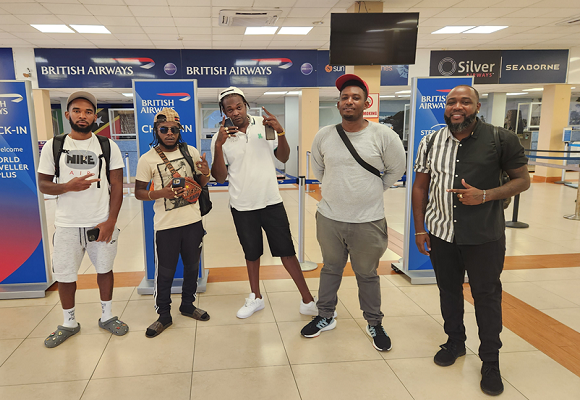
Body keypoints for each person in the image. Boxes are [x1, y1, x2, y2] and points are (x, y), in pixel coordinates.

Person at [412, 85, 530, 396]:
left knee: (486, 297)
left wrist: (486, 195)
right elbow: (420, 187)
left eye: (465, 101)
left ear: (477, 107)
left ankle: (490, 360)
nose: (457, 106)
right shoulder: (430, 141)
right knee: (448, 291)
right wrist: (420, 229)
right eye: (451, 101)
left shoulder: (501, 139)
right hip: (441, 234)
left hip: (484, 236)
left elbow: (522, 180)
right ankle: (455, 342)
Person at [301, 74, 406, 352]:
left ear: (366, 103)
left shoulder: (384, 135)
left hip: (368, 221)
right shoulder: (324, 135)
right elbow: (319, 170)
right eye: (344, 97)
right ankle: (325, 315)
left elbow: (397, 169)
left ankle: (374, 322)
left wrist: (374, 189)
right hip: (329, 219)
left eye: (355, 97)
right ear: (338, 104)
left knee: (367, 274)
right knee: (330, 268)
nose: (349, 101)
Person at [210, 86, 317, 319]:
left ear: (246, 105)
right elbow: (219, 178)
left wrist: (281, 132)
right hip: (242, 205)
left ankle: (308, 300)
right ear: (224, 112)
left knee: (287, 252)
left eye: (239, 107)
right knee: (251, 254)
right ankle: (256, 297)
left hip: (271, 201)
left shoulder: (264, 124)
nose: (235, 112)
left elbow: (283, 157)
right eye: (230, 109)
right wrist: (218, 145)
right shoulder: (221, 137)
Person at [38, 90, 128, 347]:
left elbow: (117, 186)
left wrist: (111, 221)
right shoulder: (54, 146)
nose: (82, 115)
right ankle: (69, 322)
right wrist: (68, 186)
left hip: (100, 221)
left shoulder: (107, 146)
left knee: (105, 270)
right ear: (68, 114)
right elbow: (43, 184)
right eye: (77, 111)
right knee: (65, 275)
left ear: (94, 116)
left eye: (88, 112)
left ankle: (107, 316)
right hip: (67, 224)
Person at [135, 108, 211, 337]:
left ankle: (188, 305)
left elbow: (201, 183)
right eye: (164, 129)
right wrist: (161, 193)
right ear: (156, 131)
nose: (169, 133)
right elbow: (138, 192)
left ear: (179, 130)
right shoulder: (147, 159)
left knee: (192, 267)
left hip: (193, 221)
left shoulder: (191, 152)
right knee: (165, 272)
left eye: (174, 129)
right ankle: (164, 315)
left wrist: (205, 172)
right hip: (166, 226)